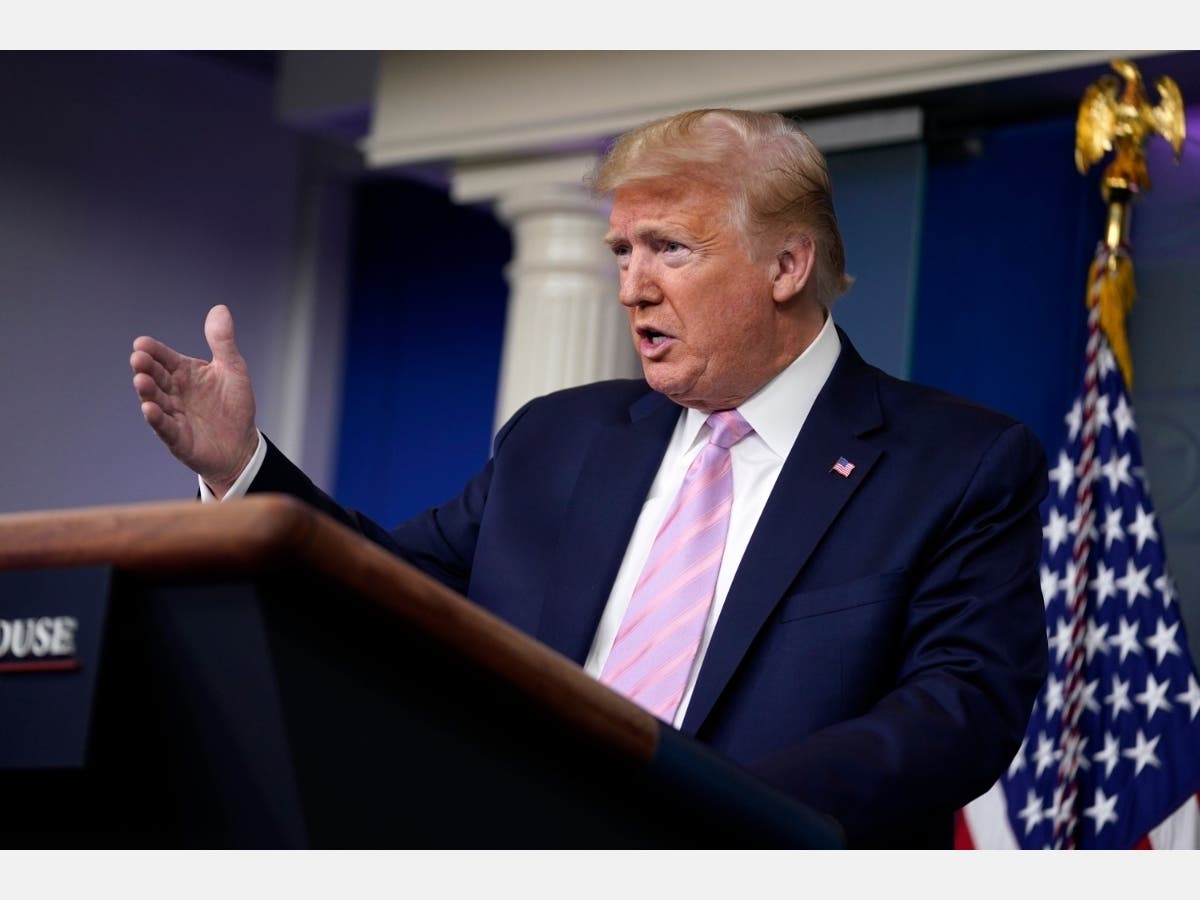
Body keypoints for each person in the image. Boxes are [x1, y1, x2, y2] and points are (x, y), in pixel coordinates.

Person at [130, 108, 1049, 848]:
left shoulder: (955, 464)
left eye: (670, 248)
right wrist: (242, 467)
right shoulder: (557, 438)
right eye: (622, 251)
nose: (632, 288)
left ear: (786, 264)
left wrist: (705, 819)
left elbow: (957, 712)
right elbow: (381, 593)